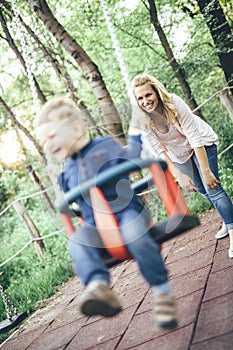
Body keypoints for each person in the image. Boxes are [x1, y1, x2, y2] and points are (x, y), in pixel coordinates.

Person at [36, 97, 178, 331]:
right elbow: (75, 208)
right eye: (43, 141)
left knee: (134, 232)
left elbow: (132, 157)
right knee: (78, 242)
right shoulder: (67, 170)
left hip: (126, 213)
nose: (47, 145)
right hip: (96, 228)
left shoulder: (105, 146)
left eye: (51, 136)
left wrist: (135, 128)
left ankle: (162, 291)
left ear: (77, 128)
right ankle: (98, 287)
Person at [129, 72, 233, 259]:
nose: (145, 101)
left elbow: (194, 136)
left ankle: (232, 226)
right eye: (140, 98)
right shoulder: (143, 119)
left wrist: (206, 171)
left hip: (202, 143)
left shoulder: (174, 103)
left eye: (148, 95)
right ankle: (228, 218)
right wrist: (178, 174)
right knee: (200, 188)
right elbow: (157, 149)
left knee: (212, 188)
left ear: (157, 92)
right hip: (179, 154)